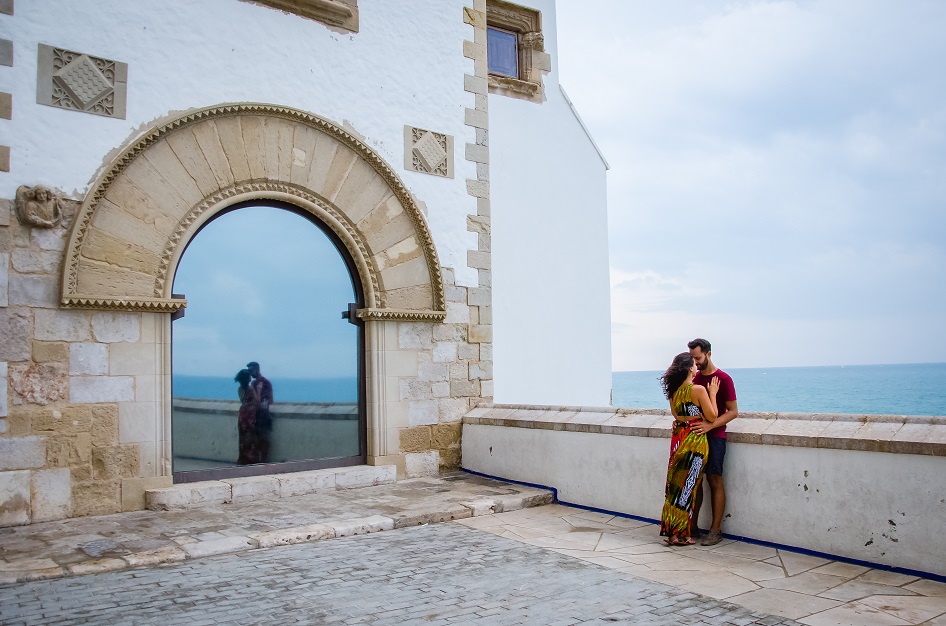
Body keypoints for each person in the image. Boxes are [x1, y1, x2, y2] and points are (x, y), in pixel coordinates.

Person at [659, 352, 719, 546]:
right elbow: (712, 417)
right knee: (689, 488)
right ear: (689, 368)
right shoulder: (699, 390)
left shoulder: (673, 393)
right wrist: (713, 394)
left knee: (676, 488)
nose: (696, 367)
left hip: (679, 442)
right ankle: (682, 533)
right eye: (694, 364)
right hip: (695, 443)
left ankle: (673, 533)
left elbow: (677, 416)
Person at [688, 338, 739, 546]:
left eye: (698, 357)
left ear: (708, 353)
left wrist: (711, 425)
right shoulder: (694, 379)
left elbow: (734, 412)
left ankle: (715, 530)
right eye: (692, 358)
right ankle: (693, 526)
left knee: (714, 480)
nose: (696, 362)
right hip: (696, 437)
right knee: (696, 482)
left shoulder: (724, 379)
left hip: (715, 437)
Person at [247, 361, 274, 463]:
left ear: (257, 370)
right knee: (256, 439)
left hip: (263, 415)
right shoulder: (253, 383)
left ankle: (263, 461)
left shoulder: (266, 383)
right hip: (255, 415)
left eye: (251, 370)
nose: (250, 373)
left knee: (264, 439)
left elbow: (270, 400)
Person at [235, 368, 261, 465]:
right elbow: (257, 402)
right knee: (251, 435)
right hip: (250, 414)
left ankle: (243, 458)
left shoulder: (240, 389)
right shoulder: (250, 389)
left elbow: (243, 401)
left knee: (243, 436)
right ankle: (251, 458)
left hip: (242, 413)